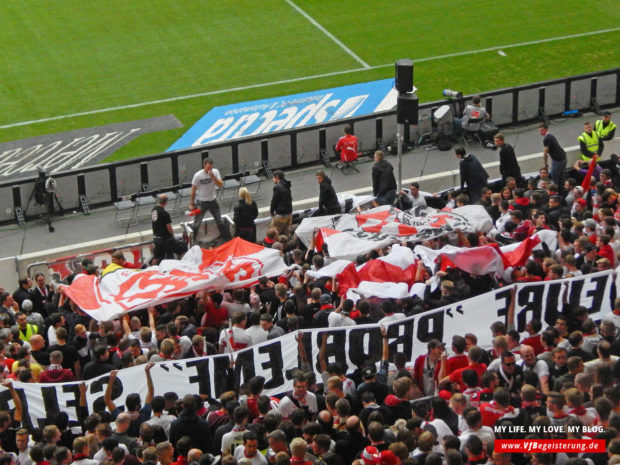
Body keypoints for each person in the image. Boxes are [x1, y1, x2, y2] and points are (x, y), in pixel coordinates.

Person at [188, 157, 231, 244]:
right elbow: (193, 191)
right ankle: (192, 241)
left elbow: (220, 185)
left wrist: (213, 176)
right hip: (201, 202)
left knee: (219, 221)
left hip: (212, 201)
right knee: (196, 224)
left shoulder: (215, 172)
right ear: (204, 166)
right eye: (208, 168)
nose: (209, 170)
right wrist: (191, 203)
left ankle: (227, 239)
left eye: (211, 168)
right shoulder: (197, 175)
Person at [152, 194, 187, 263]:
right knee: (182, 249)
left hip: (156, 238)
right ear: (166, 202)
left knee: (156, 257)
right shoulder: (165, 213)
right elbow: (169, 228)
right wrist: (173, 235)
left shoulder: (154, 210)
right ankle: (183, 265)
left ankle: (151, 270)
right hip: (166, 239)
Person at [539, 123, 566, 189]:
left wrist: (545, 164)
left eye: (541, 130)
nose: (540, 132)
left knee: (554, 179)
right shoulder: (551, 136)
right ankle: (561, 191)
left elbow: (545, 153)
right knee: (561, 177)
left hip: (558, 160)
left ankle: (554, 192)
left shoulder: (546, 139)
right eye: (539, 130)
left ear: (546, 129)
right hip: (563, 158)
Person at [269, 170, 293, 236]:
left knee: (273, 233)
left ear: (277, 177)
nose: (272, 179)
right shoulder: (287, 185)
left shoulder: (277, 187)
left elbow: (274, 201)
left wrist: (271, 211)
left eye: (273, 177)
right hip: (289, 214)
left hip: (281, 215)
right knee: (286, 234)